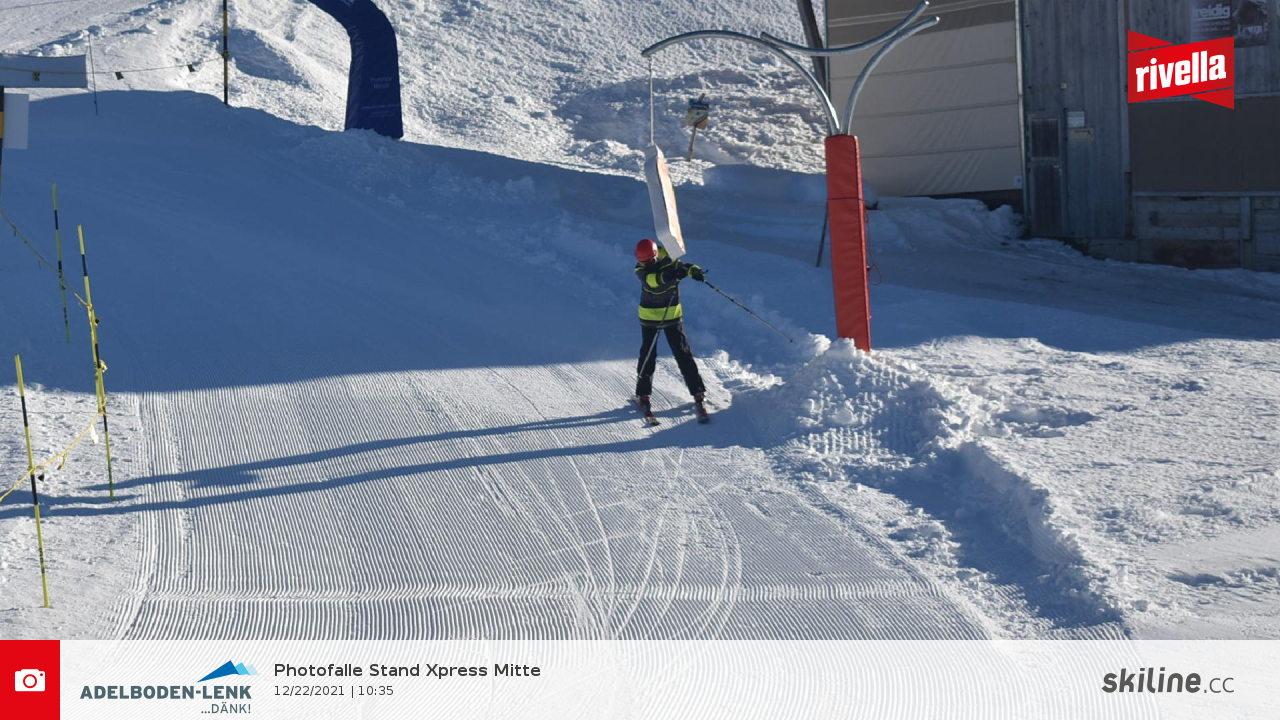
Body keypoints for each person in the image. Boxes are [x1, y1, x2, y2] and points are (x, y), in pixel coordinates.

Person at [633, 238, 707, 416]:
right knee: (648, 354)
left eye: (648, 261)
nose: (645, 264)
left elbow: (684, 266)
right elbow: (655, 281)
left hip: (672, 315)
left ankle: (698, 392)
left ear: (655, 255)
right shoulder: (640, 270)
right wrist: (673, 274)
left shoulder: (669, 256)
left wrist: (693, 271)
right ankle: (643, 394)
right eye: (642, 262)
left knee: (683, 353)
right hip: (650, 317)